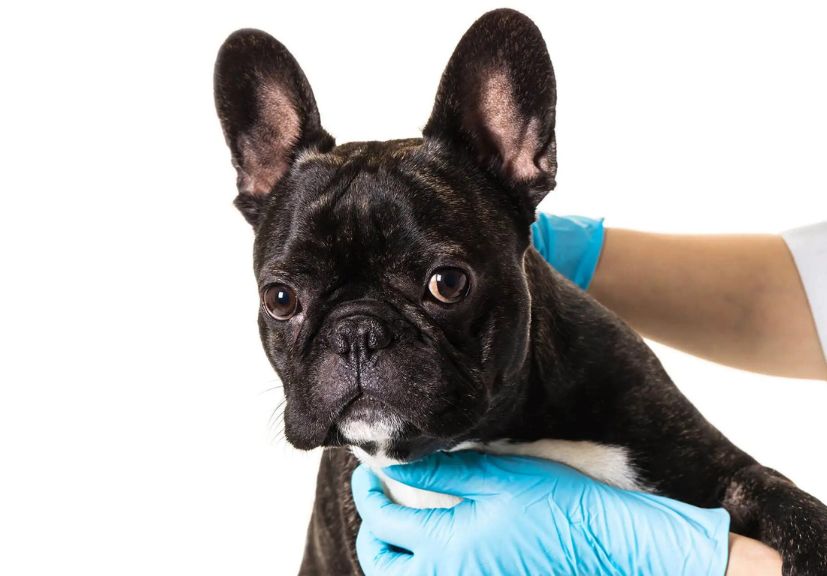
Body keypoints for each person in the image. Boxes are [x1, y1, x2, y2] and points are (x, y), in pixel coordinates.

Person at [352, 215, 827, 576]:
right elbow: (793, 296)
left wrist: (690, 559)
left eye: (446, 284)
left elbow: (740, 490)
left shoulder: (606, 380)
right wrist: (591, 254)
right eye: (282, 301)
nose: (360, 346)